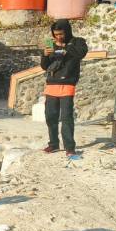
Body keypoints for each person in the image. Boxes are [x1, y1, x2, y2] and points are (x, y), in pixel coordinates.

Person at [40, 19, 88, 157]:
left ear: (67, 31)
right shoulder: (50, 43)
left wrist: (64, 48)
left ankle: (69, 147)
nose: (58, 37)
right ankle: (53, 144)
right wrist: (45, 54)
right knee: (50, 116)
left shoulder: (77, 42)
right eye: (56, 34)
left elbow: (81, 53)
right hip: (51, 84)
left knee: (66, 117)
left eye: (61, 34)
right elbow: (44, 66)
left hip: (67, 83)